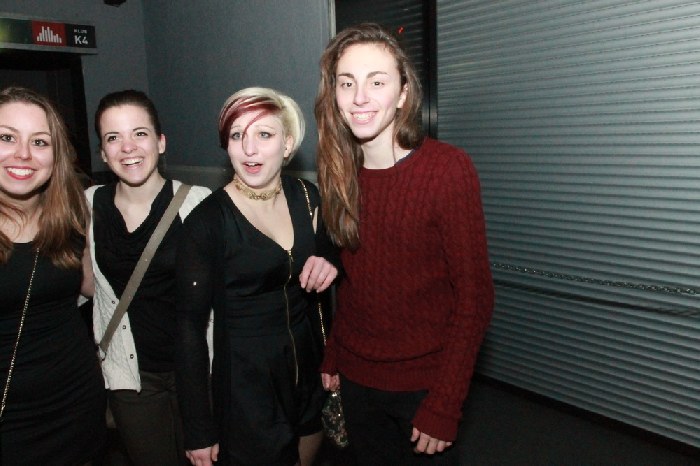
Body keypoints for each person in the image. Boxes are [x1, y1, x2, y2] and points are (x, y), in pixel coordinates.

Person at [315, 23, 495, 465]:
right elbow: (356, 282)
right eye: (347, 83)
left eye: (377, 82)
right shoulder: (339, 171)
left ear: (403, 93)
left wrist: (445, 403)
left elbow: (474, 297)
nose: (360, 97)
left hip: (423, 387)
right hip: (356, 380)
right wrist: (334, 354)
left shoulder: (446, 170)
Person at [175, 87, 339, 466]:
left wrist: (331, 261)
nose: (249, 149)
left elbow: (332, 259)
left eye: (264, 134)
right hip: (247, 383)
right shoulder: (206, 222)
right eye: (237, 135)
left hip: (309, 369)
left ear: (288, 144)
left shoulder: (307, 197)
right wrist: (198, 427)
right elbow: (188, 328)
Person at [86, 89, 211, 466]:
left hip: (200, 370)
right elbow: (85, 285)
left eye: (139, 133)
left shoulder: (199, 202)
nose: (128, 147)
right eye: (113, 137)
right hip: (130, 376)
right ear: (103, 152)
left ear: (161, 142)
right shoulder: (87, 206)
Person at [0, 86, 106, 464]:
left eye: (39, 142)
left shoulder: (73, 219)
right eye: (7, 137)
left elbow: (92, 287)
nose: (23, 153)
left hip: (75, 403)